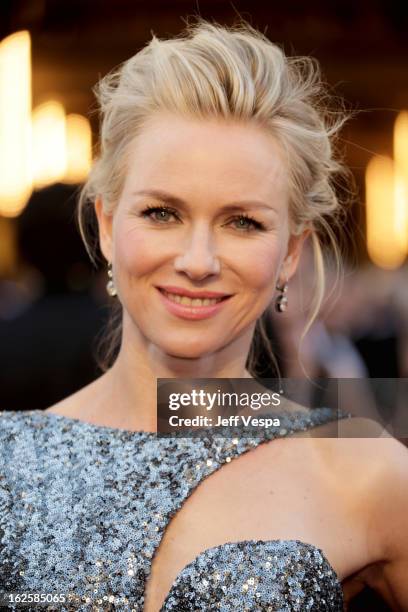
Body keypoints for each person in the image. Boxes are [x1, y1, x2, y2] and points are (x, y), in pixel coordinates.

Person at [1, 17, 407, 611]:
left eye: (243, 222)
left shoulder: (365, 472)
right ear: (109, 225)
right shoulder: (7, 464)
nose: (197, 261)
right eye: (162, 213)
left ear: (290, 252)